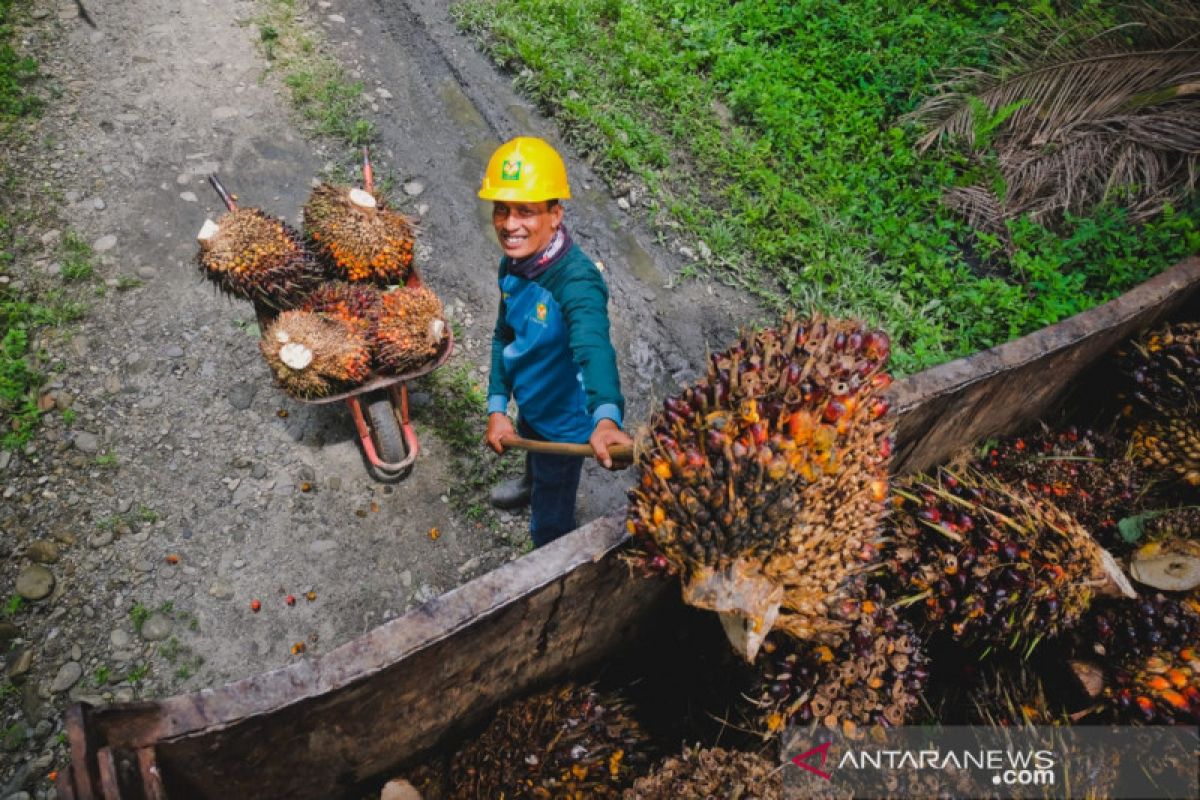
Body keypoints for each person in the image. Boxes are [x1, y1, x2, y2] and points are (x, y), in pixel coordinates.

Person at [479, 136, 632, 548]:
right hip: (532, 402)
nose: (510, 225)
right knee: (535, 454)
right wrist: (498, 407)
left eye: (526, 212)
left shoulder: (576, 282)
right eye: (502, 210)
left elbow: (593, 347)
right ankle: (531, 482)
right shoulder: (513, 264)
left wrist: (605, 418)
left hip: (565, 425)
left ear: (555, 214)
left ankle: (548, 554)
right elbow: (503, 334)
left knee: (553, 506)